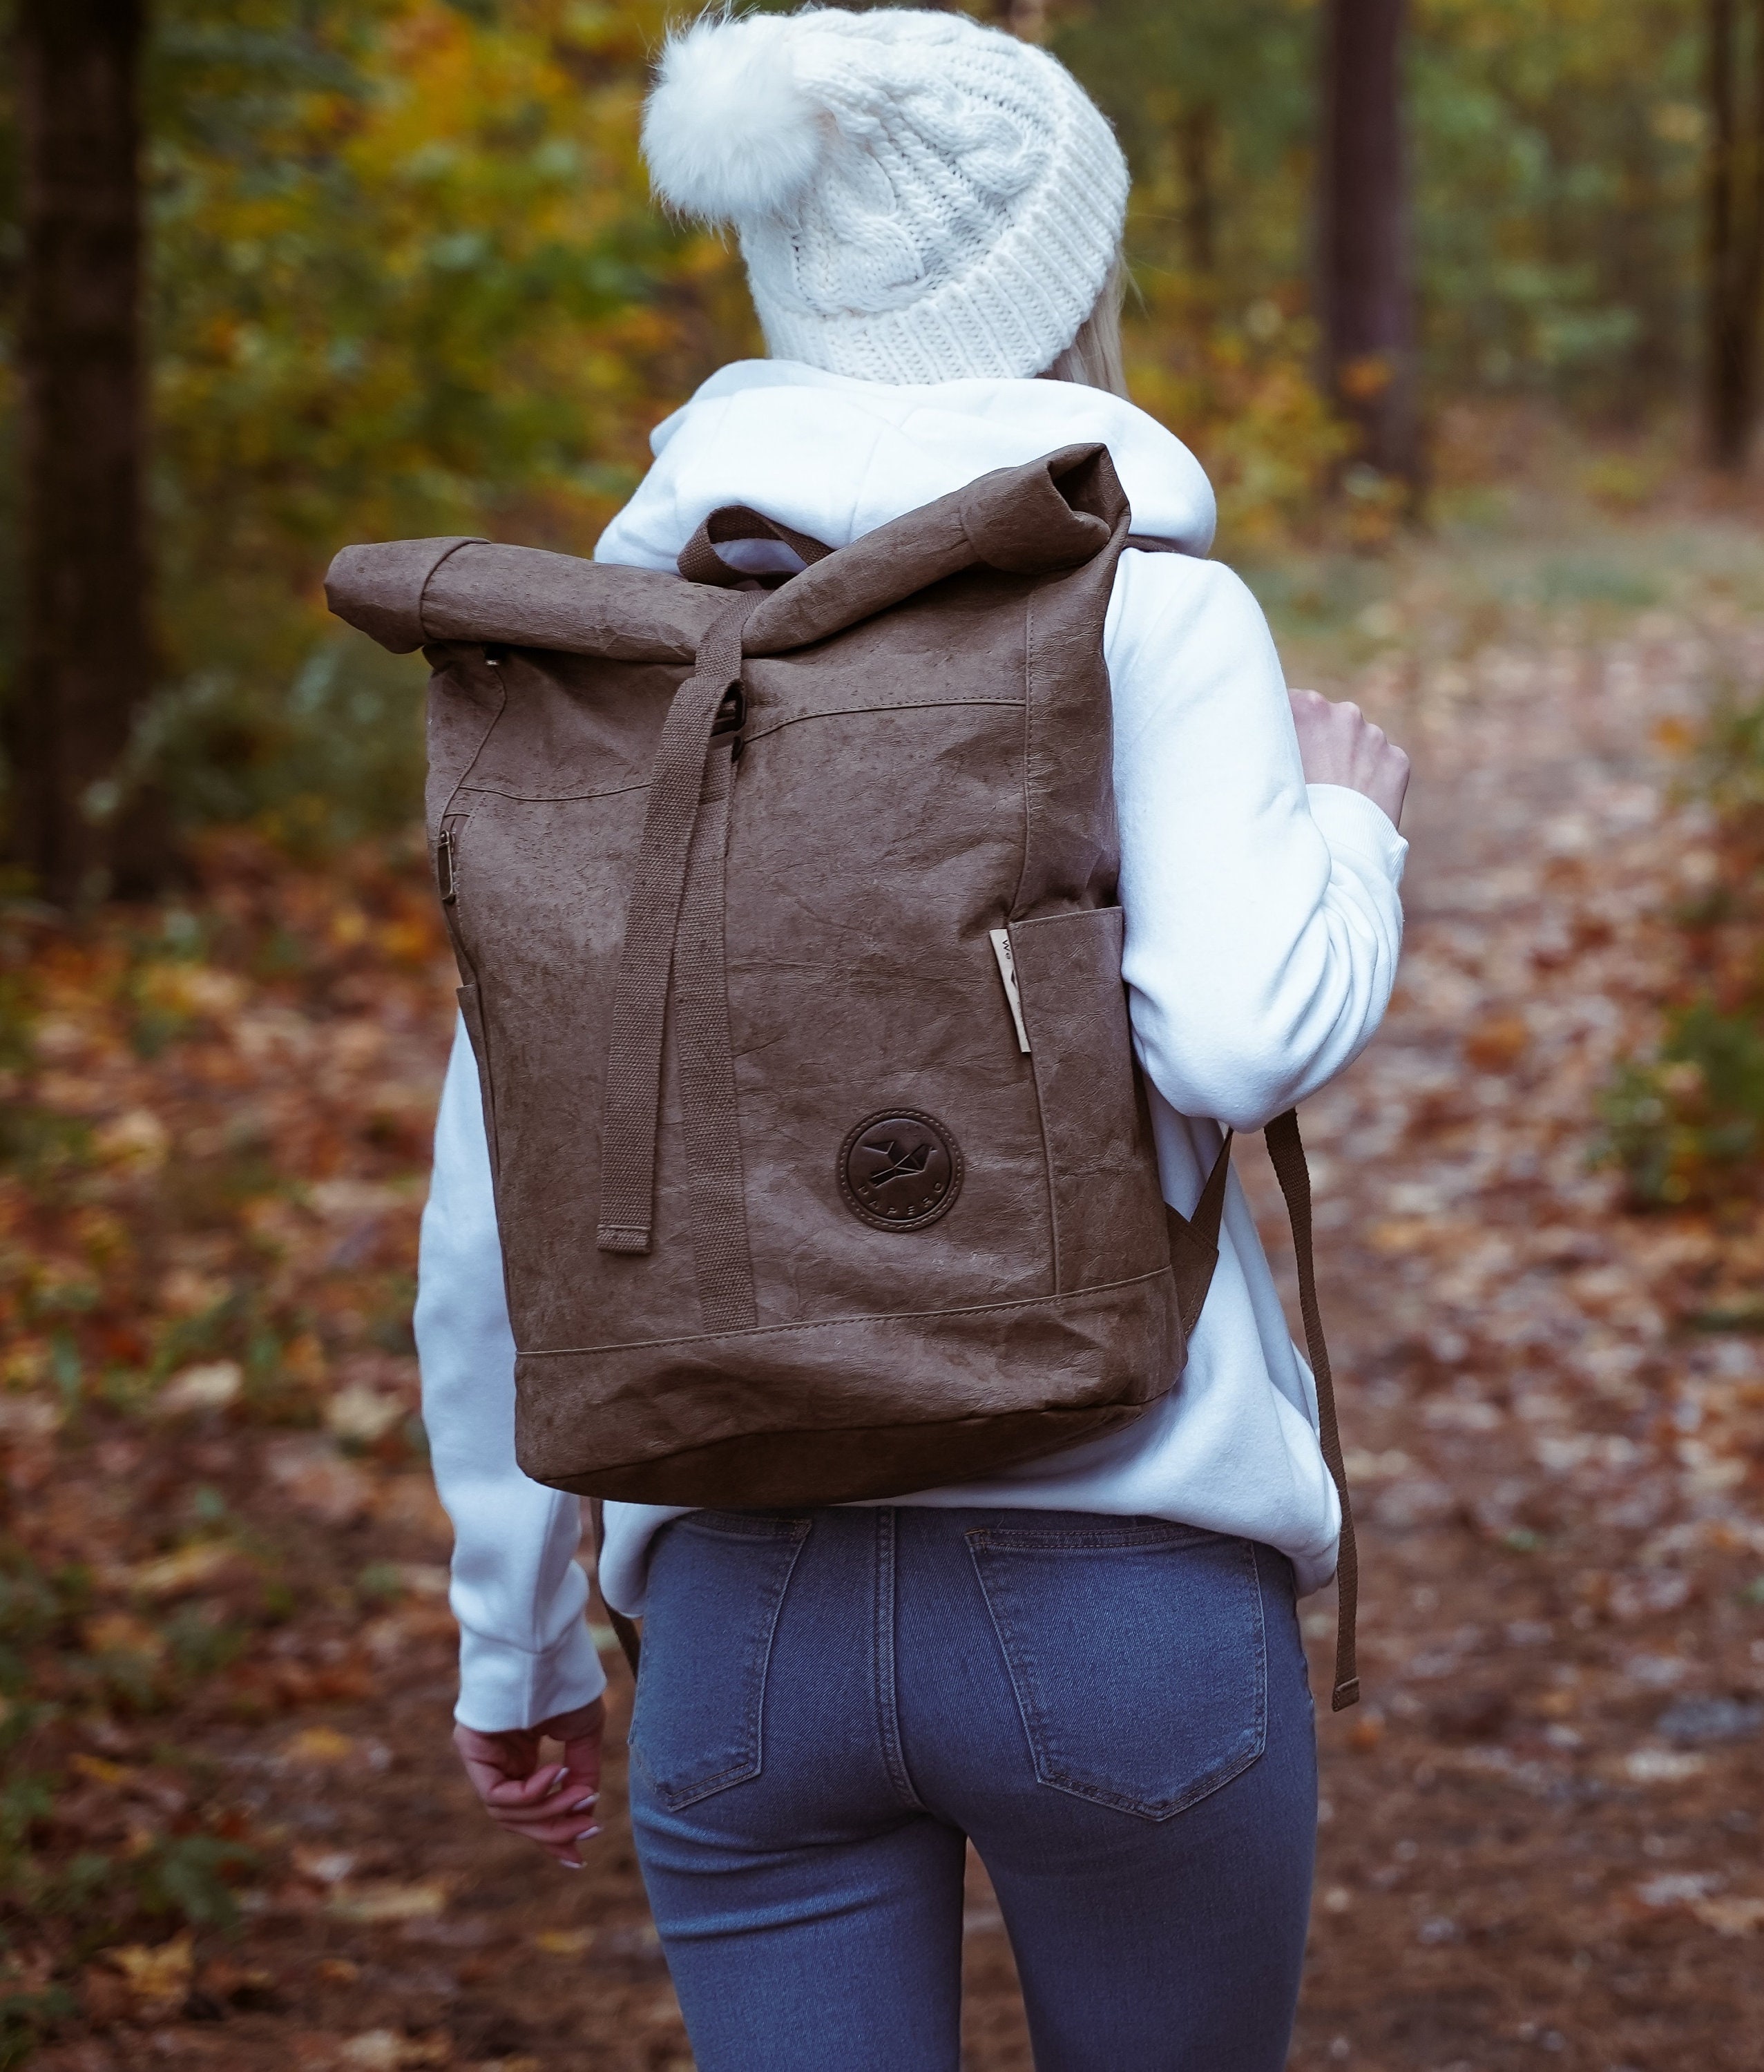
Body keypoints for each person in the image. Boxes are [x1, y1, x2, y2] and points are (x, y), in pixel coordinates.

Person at [417, 9, 1410, 2068]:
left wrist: (511, 1642)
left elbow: (497, 1194)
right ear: (1066, 284)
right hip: (1124, 1578)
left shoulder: (608, 670)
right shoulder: (1142, 615)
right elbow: (1238, 1039)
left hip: (736, 1620)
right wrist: (1345, 830)